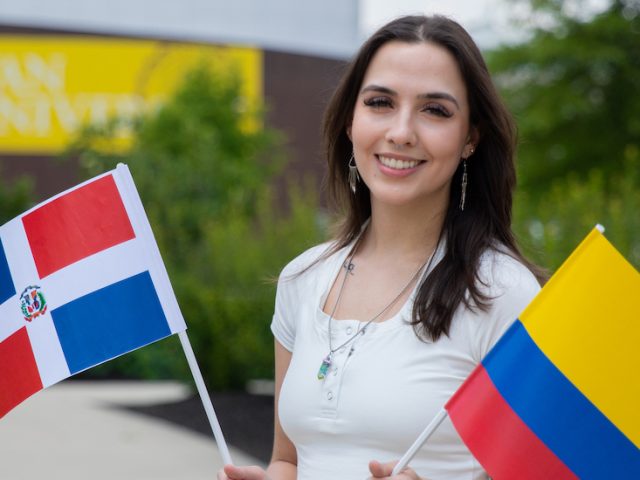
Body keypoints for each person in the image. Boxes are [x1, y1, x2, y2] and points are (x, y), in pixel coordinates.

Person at [218, 14, 544, 480]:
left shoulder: (501, 293)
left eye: (435, 110)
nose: (401, 131)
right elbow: (288, 458)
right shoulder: (302, 279)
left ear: (470, 138)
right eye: (380, 103)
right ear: (351, 121)